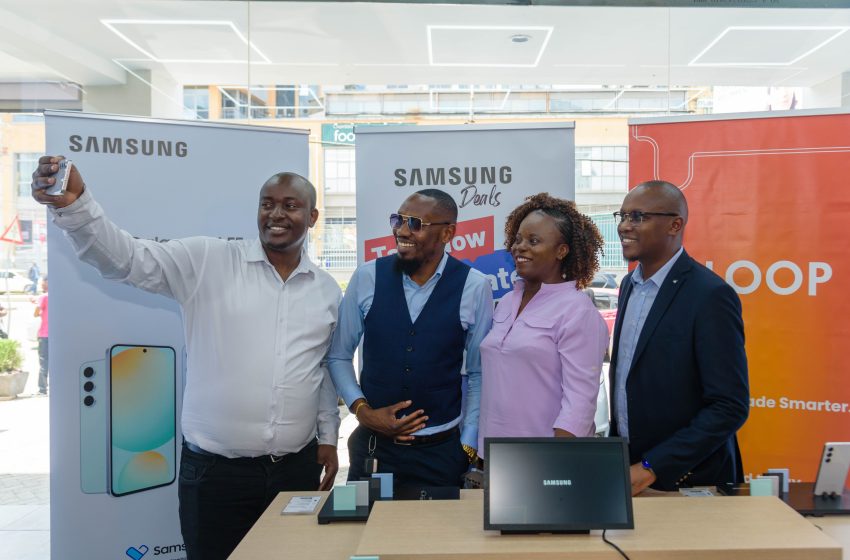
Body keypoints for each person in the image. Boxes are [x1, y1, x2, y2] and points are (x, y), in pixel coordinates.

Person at [32, 156, 341, 560]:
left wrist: (329, 438)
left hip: (295, 470)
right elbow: (125, 259)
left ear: (313, 216)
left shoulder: (326, 291)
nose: (276, 214)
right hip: (216, 476)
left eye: (290, 205)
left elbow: (319, 369)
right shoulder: (209, 261)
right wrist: (75, 206)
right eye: (267, 203)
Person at [328, 189, 493, 489]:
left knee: (435, 536)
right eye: (398, 220)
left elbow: (480, 373)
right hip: (372, 450)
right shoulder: (367, 277)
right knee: (361, 533)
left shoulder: (475, 286)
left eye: (415, 223)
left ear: (448, 232)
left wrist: (467, 444)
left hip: (441, 454)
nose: (402, 231)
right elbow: (338, 355)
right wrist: (362, 411)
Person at [609, 180, 749, 495]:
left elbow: (730, 405)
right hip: (631, 472)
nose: (624, 226)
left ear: (675, 224)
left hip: (690, 479)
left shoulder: (710, 295)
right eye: (622, 215)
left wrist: (651, 467)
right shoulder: (629, 286)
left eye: (638, 217)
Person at [478, 193, 608, 454]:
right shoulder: (505, 302)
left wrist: (553, 461)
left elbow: (579, 402)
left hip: (542, 459)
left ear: (562, 251)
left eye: (533, 241)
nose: (519, 247)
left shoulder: (577, 310)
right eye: (518, 240)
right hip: (493, 456)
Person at [33, 277, 48, 395]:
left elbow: (36, 313)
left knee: (43, 362)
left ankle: (42, 389)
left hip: (44, 334)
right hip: (55, 335)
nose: (41, 285)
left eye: (42, 283)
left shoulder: (43, 297)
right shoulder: (58, 295)